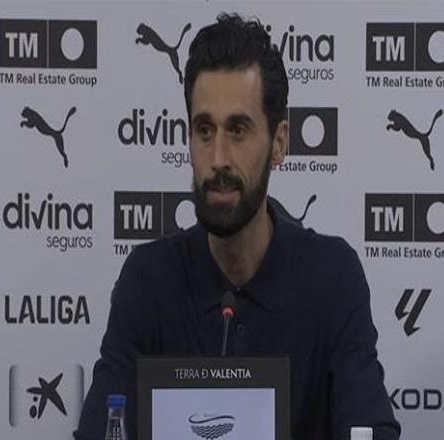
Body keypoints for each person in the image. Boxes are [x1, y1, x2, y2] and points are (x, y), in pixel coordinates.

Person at [75, 13, 400, 440]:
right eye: (204, 130)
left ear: (279, 143)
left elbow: (370, 430)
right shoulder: (148, 278)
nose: (218, 159)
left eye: (238, 129)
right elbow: (102, 429)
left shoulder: (332, 276)